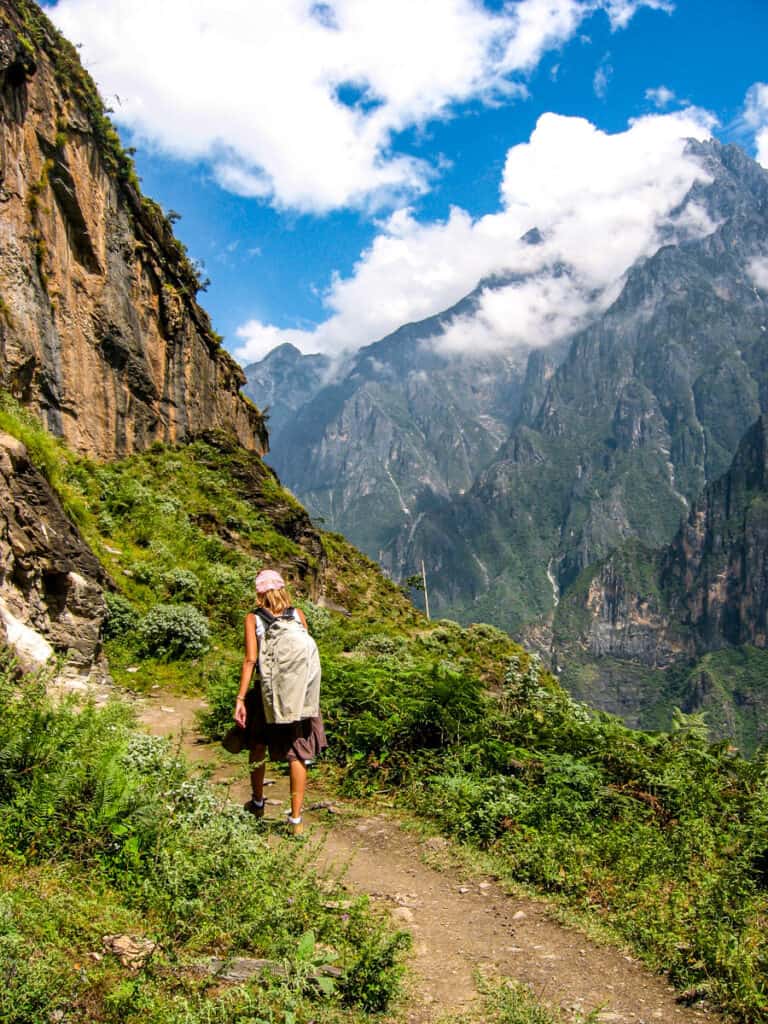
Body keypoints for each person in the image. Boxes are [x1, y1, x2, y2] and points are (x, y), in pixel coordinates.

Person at [234, 569, 327, 835]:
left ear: (259, 592)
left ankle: (258, 802)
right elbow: (307, 658)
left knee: (257, 746)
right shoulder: (298, 615)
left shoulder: (253, 618)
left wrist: (240, 698)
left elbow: (251, 660)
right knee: (297, 753)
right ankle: (296, 820)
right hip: (298, 697)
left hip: (267, 694)